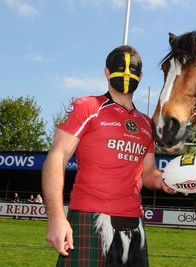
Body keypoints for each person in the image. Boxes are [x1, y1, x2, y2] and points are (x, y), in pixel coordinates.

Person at [42, 45, 173, 266]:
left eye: (132, 70)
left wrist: (166, 181)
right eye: (120, 68)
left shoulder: (146, 123)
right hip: (89, 218)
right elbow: (57, 157)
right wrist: (56, 217)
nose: (126, 74)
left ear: (140, 76)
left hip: (133, 223)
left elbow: (149, 173)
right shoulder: (87, 106)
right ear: (106, 72)